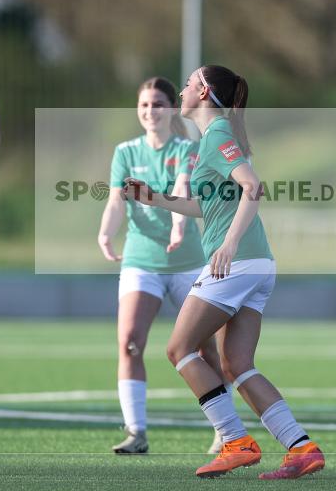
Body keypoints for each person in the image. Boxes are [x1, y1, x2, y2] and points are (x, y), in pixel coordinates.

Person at [124, 65, 325, 480]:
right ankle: (301, 448)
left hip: (238, 263)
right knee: (237, 364)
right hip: (256, 264)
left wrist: (229, 244)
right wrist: (157, 199)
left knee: (180, 350)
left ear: (202, 90)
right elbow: (208, 206)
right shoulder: (214, 138)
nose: (180, 91)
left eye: (185, 84)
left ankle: (235, 441)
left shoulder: (216, 134)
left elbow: (253, 188)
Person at [99, 76, 226, 455]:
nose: (150, 111)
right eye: (144, 105)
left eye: (157, 104)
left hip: (187, 261)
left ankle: (224, 429)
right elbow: (117, 201)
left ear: (172, 109)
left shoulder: (188, 148)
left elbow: (184, 188)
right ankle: (136, 433)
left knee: (204, 349)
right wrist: (106, 233)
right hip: (141, 259)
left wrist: (178, 224)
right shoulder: (125, 151)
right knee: (130, 343)